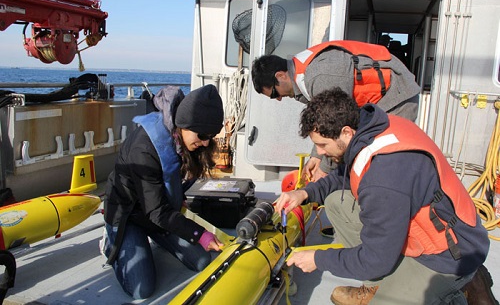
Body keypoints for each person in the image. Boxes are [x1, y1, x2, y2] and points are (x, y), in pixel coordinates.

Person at [275, 87, 494, 305]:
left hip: (447, 256)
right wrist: (305, 192)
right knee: (335, 202)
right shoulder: (372, 127)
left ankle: (460, 288)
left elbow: (375, 259)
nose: (320, 152)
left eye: (322, 145)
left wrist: (317, 259)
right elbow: (344, 173)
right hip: (432, 225)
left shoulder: (383, 178)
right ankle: (379, 285)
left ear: (347, 132)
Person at [102, 84, 224, 299]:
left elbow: (168, 182)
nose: (205, 142)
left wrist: (180, 198)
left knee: (202, 261)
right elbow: (157, 210)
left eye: (211, 136)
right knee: (141, 289)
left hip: (158, 211)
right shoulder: (144, 149)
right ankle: (111, 242)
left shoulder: (180, 138)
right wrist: (199, 233)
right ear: (184, 124)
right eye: (203, 134)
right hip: (129, 215)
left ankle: (155, 236)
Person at [251, 40, 420, 182]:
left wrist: (324, 169)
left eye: (274, 93)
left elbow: (336, 127)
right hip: (378, 101)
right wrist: (316, 156)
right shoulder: (303, 75)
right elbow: (322, 123)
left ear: (281, 76)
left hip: (397, 98)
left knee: (382, 162)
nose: (279, 99)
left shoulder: (319, 77)